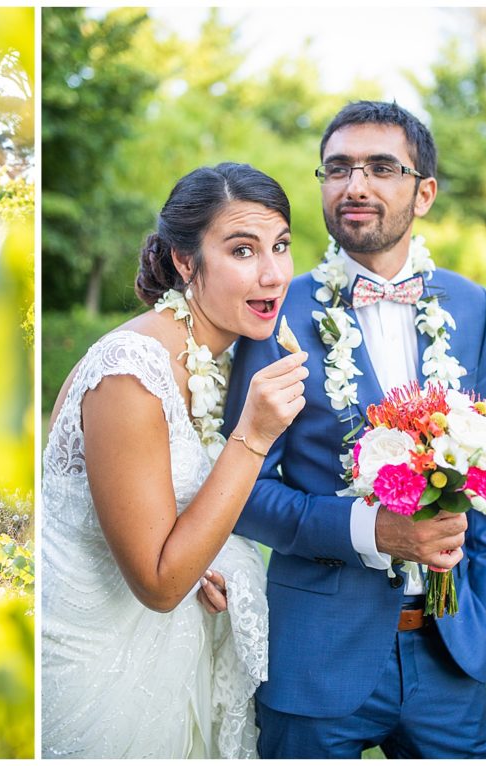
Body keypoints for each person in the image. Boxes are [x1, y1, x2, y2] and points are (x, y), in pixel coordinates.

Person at [223, 101, 486, 758]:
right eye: (339, 168)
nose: (356, 185)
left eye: (382, 167)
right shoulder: (273, 311)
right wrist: (371, 531)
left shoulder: (473, 306)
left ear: (425, 191)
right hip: (316, 654)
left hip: (450, 649)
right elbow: (242, 488)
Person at [42, 163, 309, 758]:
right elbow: (160, 584)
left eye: (281, 246)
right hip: (97, 673)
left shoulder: (227, 359)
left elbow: (175, 527)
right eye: (243, 250)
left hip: (172, 657)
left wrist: (217, 566)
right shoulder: (130, 372)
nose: (272, 273)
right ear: (187, 262)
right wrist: (254, 436)